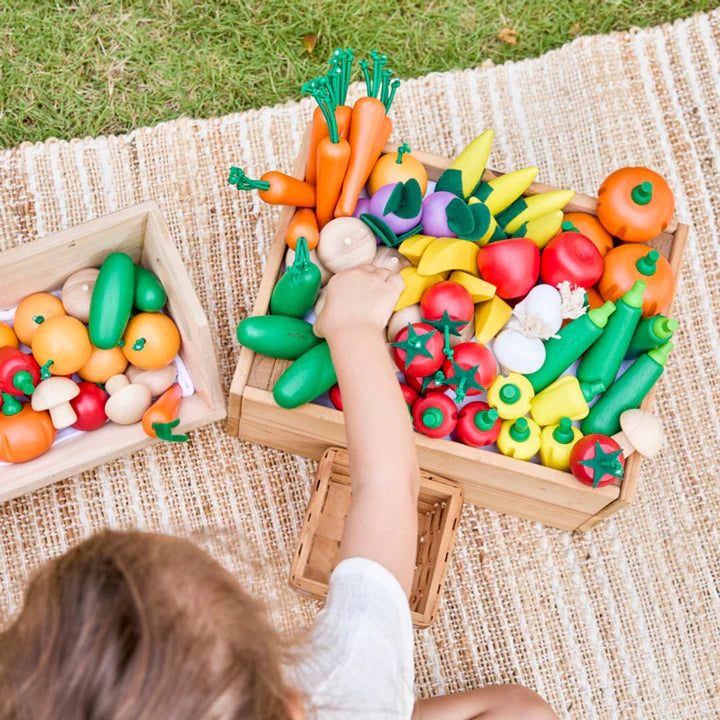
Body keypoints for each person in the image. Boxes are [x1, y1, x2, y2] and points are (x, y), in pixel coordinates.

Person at [0, 265, 557, 719]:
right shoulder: (345, 686)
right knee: (522, 711)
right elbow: (388, 484)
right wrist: (354, 328)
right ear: (293, 706)